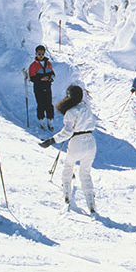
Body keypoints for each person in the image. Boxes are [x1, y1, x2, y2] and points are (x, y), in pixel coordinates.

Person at [38, 85, 97, 213]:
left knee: (68, 166)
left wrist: (51, 141)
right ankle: (91, 203)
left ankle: (66, 195)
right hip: (91, 142)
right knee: (85, 172)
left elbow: (67, 132)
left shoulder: (71, 112)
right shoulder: (87, 108)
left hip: (77, 142)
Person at [28, 45, 56, 131]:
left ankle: (50, 121)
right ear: (36, 54)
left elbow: (53, 74)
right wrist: (40, 79)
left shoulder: (48, 63)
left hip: (47, 86)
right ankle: (42, 121)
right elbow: (32, 78)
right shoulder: (33, 65)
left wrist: (50, 78)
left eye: (42, 53)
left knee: (49, 104)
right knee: (41, 104)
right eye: (39, 53)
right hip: (38, 87)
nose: (41, 55)